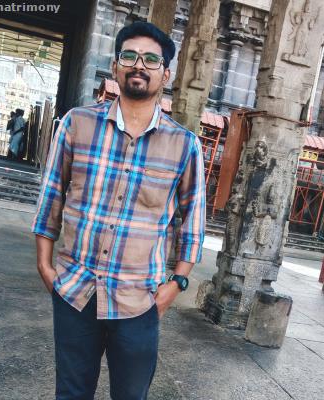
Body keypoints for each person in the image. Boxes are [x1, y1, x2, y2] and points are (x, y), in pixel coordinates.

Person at [32, 21, 206, 400]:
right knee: (71, 394)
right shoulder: (77, 124)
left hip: (140, 300)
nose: (139, 65)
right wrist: (45, 267)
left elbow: (192, 223)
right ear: (115, 67)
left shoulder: (184, 145)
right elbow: (51, 198)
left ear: (165, 74)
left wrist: (175, 285)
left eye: (151, 59)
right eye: (129, 56)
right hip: (76, 291)